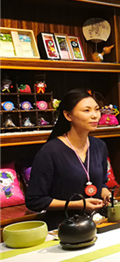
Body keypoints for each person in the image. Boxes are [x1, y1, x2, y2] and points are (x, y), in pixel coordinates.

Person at [26, 89, 111, 231]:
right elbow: (35, 201)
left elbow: (101, 183)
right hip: (63, 227)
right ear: (68, 115)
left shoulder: (99, 146)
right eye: (87, 110)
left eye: (97, 109)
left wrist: (106, 194)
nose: (95, 115)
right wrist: (78, 205)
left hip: (97, 222)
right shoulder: (50, 151)